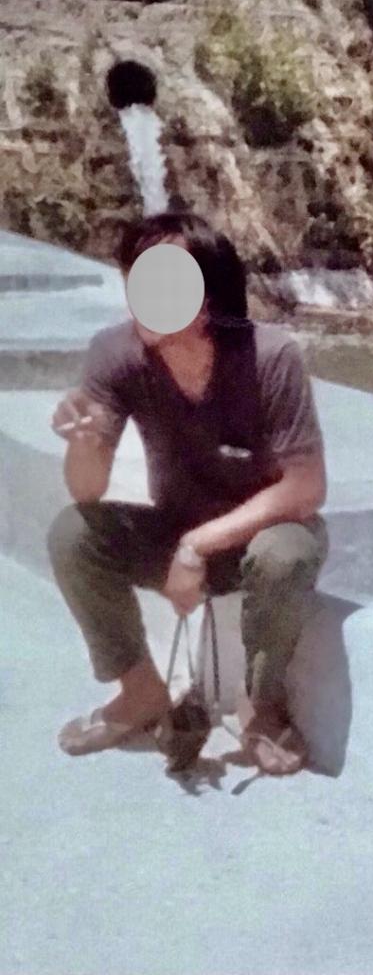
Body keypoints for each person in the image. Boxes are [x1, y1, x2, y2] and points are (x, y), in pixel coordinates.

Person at [47, 212, 329, 776]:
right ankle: (140, 691)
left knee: (287, 554)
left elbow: (306, 486)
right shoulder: (116, 354)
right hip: (174, 528)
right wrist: (83, 443)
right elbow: (87, 490)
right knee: (73, 534)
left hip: (262, 535)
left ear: (207, 298)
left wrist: (197, 546)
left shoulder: (270, 356)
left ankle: (261, 706)